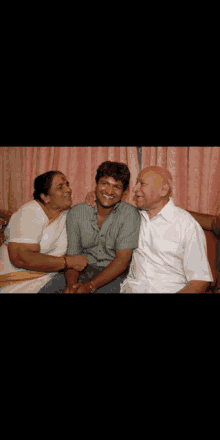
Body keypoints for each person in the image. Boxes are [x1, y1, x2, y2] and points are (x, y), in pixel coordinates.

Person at [38, 161, 141, 293]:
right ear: (96, 184)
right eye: (105, 183)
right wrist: (71, 286)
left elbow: (122, 260)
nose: (110, 191)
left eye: (117, 187)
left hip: (114, 274)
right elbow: (73, 255)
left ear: (124, 192)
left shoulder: (130, 214)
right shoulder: (76, 212)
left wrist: (90, 286)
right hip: (79, 271)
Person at [120, 166, 213, 293]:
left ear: (163, 190)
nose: (135, 189)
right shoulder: (132, 217)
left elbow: (200, 280)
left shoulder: (186, 224)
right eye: (136, 183)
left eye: (142, 184)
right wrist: (94, 198)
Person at [0, 171, 87, 293]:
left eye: (67, 185)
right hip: (16, 281)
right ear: (45, 197)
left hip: (48, 278)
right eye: (60, 187)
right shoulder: (29, 213)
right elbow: (20, 258)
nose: (68, 189)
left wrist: (93, 200)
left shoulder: (66, 215)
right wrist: (67, 262)